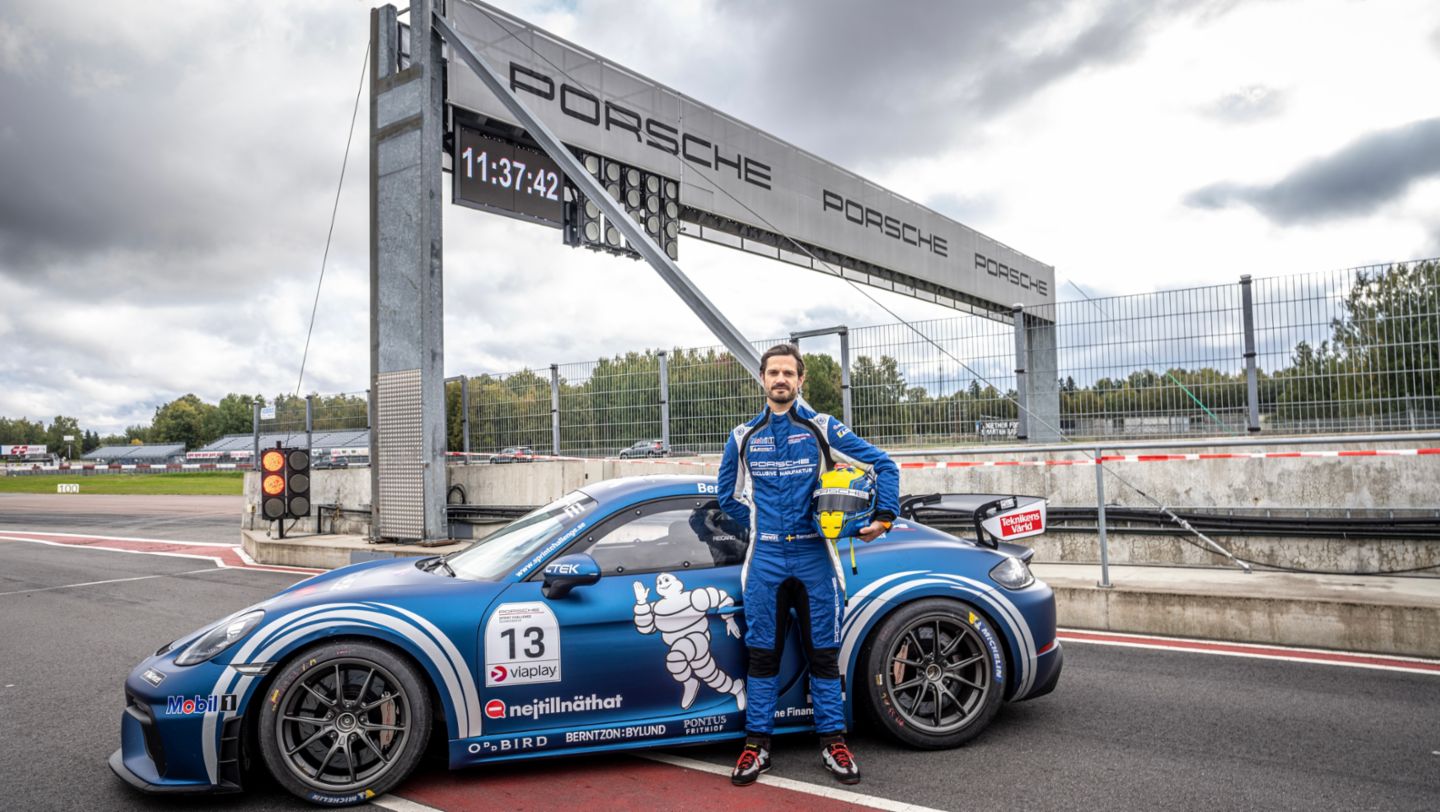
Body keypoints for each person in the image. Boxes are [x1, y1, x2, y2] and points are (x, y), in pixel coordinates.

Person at [716, 344, 899, 786]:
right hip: (765, 561)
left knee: (823, 656)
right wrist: (759, 524)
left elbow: (884, 464)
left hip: (816, 556)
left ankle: (833, 744)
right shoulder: (743, 436)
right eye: (773, 372)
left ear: (801, 381)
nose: (780, 380)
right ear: (762, 379)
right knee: (761, 657)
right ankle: (756, 747)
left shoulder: (822, 428)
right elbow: (727, 497)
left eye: (788, 374)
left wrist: (883, 517)